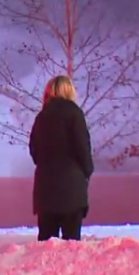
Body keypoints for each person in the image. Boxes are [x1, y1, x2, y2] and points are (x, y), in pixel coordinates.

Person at [29, 74, 94, 241]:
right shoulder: (74, 114)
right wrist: (87, 171)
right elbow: (82, 147)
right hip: (71, 189)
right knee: (71, 244)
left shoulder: (41, 117)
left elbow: (34, 150)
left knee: (46, 243)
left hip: (45, 190)